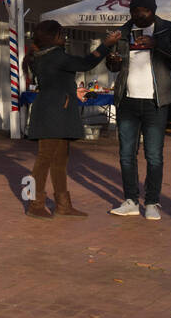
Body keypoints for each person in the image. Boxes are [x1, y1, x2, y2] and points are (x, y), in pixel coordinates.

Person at [104, 0, 171, 220]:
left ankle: (152, 201)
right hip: (127, 101)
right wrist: (112, 61)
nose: (139, 15)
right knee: (126, 154)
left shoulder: (169, 30)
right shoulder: (123, 31)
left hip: (155, 102)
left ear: (153, 11)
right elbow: (112, 67)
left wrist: (157, 45)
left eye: (144, 11)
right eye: (135, 11)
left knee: (154, 155)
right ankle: (131, 200)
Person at [23, 20, 124, 217]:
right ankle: (35, 205)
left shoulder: (41, 56)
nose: (65, 37)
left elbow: (57, 81)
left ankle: (63, 205)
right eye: (61, 34)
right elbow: (86, 63)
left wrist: (72, 90)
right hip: (53, 114)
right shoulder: (55, 55)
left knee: (59, 159)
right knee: (46, 159)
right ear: (53, 37)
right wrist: (106, 44)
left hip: (54, 111)